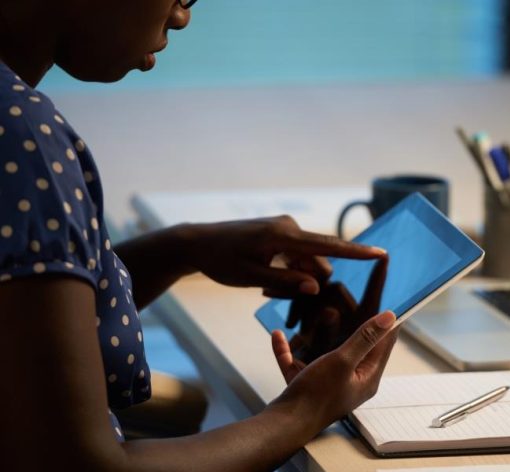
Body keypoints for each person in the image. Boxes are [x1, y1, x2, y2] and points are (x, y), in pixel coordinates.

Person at [0, 1, 399, 470]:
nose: (182, 16)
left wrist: (184, 249)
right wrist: (306, 410)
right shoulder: (22, 137)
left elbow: (23, 310)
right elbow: (79, 464)